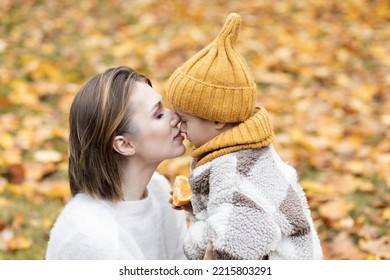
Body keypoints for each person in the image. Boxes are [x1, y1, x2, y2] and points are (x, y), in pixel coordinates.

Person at [166, 13, 323, 260]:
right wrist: (198, 204)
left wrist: (193, 242)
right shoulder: (241, 151)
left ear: (218, 120)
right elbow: (234, 210)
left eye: (185, 120)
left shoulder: (234, 170)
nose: (178, 125)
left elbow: (235, 244)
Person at [46, 66, 189, 259]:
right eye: (158, 114)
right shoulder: (90, 237)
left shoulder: (159, 190)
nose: (176, 117)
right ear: (124, 144)